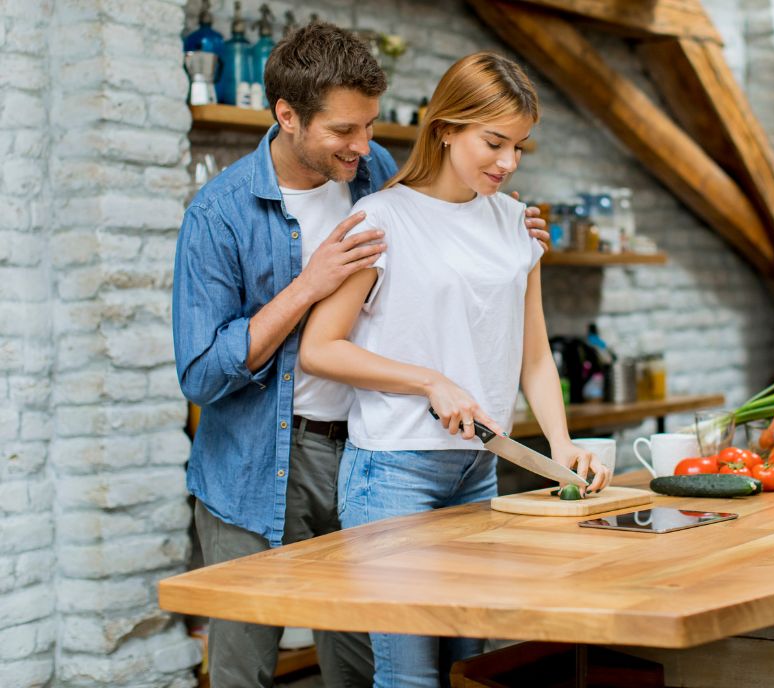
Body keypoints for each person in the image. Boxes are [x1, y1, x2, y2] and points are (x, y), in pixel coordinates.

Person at [173, 23, 549, 687]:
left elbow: (444, 219)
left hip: (370, 454)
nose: (364, 146)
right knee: (245, 668)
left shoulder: (371, 178)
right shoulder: (220, 213)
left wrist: (508, 229)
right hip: (261, 459)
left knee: (356, 667)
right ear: (287, 116)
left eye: (370, 125)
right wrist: (305, 287)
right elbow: (202, 374)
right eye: (344, 130)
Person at [298, 51, 613, 688]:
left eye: (519, 147)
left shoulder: (516, 225)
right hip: (393, 474)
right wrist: (429, 380)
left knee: (475, 671)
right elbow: (321, 349)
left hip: (478, 469)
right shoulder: (383, 220)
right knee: (410, 677)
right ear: (445, 127)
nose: (507, 162)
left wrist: (560, 444)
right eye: (493, 142)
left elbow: (533, 353)